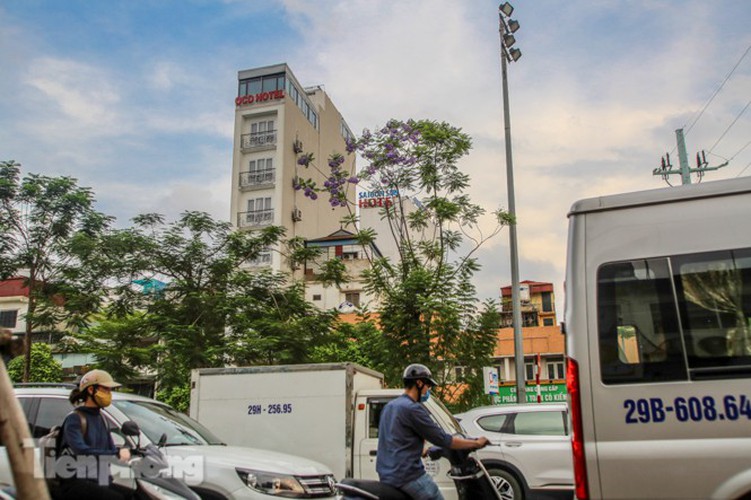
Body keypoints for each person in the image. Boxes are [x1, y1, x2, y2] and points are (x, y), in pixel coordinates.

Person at [376, 363, 490, 500]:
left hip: (387, 476)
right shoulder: (412, 409)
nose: (428, 390)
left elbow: (396, 439)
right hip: (408, 477)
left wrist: (422, 451)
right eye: (428, 386)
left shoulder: (390, 406)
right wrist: (475, 443)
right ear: (418, 383)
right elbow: (444, 439)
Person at [56, 369, 131, 500]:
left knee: (134, 495)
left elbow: (109, 449)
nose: (109, 394)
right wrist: (117, 452)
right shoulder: (75, 419)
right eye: (105, 389)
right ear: (91, 390)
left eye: (110, 390)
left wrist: (132, 453)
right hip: (76, 481)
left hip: (99, 478)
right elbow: (81, 450)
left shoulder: (102, 418)